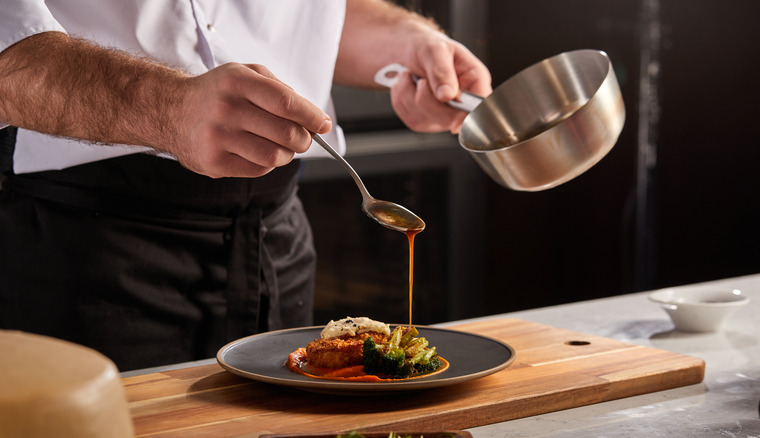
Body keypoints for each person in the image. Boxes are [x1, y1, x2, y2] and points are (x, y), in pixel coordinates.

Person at [0, 0, 491, 371]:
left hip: (278, 239)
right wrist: (168, 108)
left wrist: (406, 42)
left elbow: (312, 16)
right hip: (82, 249)